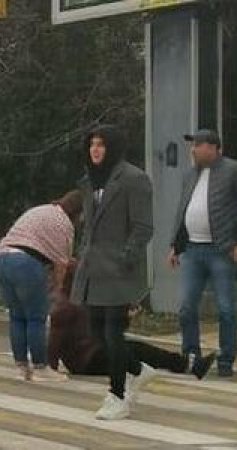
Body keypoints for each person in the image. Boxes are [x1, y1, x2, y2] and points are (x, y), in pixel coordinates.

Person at [70, 125, 154, 420]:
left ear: (114, 148)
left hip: (120, 271)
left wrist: (125, 258)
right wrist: (82, 256)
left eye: (102, 145)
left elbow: (143, 226)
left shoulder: (134, 178)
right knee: (98, 336)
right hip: (93, 270)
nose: (95, 150)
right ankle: (138, 370)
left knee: (113, 335)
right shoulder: (89, 181)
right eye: (92, 144)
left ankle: (117, 396)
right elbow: (89, 228)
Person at [48, 267, 218, 380]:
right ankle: (186, 365)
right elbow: (54, 343)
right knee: (136, 351)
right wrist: (51, 370)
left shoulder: (84, 300)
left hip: (95, 352)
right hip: (87, 361)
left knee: (137, 349)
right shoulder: (65, 308)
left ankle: (187, 365)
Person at [168, 129, 237, 378]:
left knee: (226, 308)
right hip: (192, 250)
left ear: (213, 147)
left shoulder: (231, 170)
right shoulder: (190, 174)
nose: (193, 150)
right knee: (186, 306)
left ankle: (226, 359)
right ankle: (191, 354)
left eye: (197, 145)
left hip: (222, 250)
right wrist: (175, 245)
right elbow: (182, 209)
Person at [0, 190, 82, 382]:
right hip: (26, 263)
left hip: (2, 260)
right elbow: (62, 263)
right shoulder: (64, 224)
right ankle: (41, 368)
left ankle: (21, 368)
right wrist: (57, 289)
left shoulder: (41, 210)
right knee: (36, 317)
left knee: (17, 316)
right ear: (78, 213)